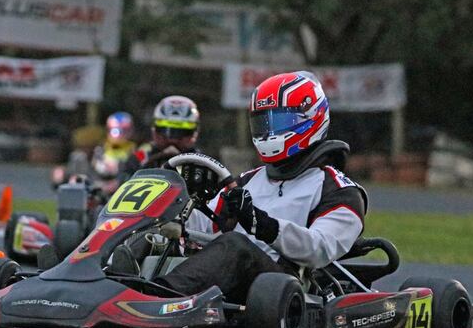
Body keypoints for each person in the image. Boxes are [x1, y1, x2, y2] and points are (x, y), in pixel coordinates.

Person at [150, 71, 367, 304]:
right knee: (153, 231)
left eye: (282, 121)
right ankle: (116, 279)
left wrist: (264, 225)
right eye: (264, 123)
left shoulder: (340, 190)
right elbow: (204, 228)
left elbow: (320, 248)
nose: (270, 132)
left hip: (286, 288)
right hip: (231, 280)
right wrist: (180, 202)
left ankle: (156, 298)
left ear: (312, 118)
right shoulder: (247, 180)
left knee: (236, 245)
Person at [120, 95, 200, 181]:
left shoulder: (202, 163)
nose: (173, 139)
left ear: (194, 132)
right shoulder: (140, 158)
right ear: (154, 129)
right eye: (165, 131)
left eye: (182, 132)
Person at [90, 112, 136, 180]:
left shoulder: (134, 148)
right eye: (114, 131)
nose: (118, 135)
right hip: (104, 182)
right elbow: (95, 166)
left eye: (124, 131)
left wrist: (119, 166)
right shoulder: (101, 148)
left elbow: (137, 165)